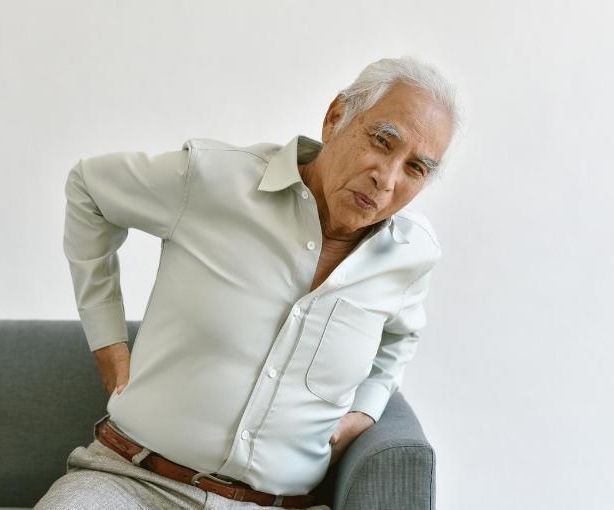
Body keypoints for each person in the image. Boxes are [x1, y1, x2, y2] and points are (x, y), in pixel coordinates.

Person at [35, 56, 460, 510]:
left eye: (416, 168)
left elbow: (398, 336)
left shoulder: (410, 254)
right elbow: (89, 187)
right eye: (381, 141)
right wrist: (106, 337)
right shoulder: (214, 179)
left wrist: (367, 406)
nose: (387, 178)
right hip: (129, 483)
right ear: (337, 116)